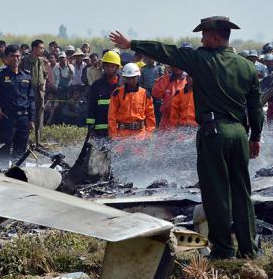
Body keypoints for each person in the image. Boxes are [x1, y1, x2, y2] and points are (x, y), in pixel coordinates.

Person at [110, 15, 263, 259]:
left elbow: (166, 52)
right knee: (242, 192)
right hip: (239, 134)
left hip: (214, 134)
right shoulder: (246, 66)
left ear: (214, 37)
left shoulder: (201, 59)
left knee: (216, 192)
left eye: (203, 35)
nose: (201, 39)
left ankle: (223, 250)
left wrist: (132, 44)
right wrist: (255, 137)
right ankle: (249, 250)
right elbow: (255, 106)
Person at [0, 44, 35, 162]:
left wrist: (32, 119)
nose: (16, 59)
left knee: (20, 151)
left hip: (23, 118)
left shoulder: (27, 76)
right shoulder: (0, 76)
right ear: (6, 58)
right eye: (13, 56)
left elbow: (31, 99)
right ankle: (2, 174)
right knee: (4, 149)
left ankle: (17, 175)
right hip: (7, 118)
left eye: (18, 56)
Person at [107, 63, 155, 139]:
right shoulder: (117, 93)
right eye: (128, 78)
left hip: (140, 135)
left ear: (138, 77)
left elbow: (150, 116)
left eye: (133, 78)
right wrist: (113, 134)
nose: (131, 81)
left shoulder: (145, 94)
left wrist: (149, 134)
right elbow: (111, 116)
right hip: (121, 135)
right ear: (124, 78)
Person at [86, 50, 122, 137]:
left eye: (112, 66)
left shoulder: (123, 86)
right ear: (103, 67)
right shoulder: (97, 85)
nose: (109, 69)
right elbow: (92, 106)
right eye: (107, 66)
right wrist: (90, 126)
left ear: (117, 67)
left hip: (119, 128)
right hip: (100, 128)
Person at [21, 39, 48, 146]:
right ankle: (25, 140)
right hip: (28, 92)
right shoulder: (25, 60)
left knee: (39, 115)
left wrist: (44, 84)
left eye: (43, 48)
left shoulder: (41, 61)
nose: (42, 50)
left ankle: (38, 141)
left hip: (39, 92)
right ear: (34, 48)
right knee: (28, 115)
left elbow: (45, 75)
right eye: (41, 48)